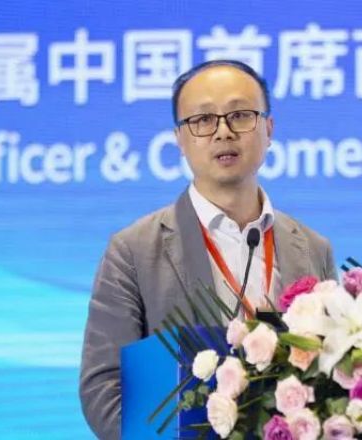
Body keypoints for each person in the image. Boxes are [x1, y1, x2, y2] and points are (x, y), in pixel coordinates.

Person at [79, 60, 337, 440]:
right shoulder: (133, 251)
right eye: (202, 120)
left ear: (268, 129)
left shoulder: (313, 248)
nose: (223, 132)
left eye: (240, 115)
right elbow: (104, 389)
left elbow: (333, 371)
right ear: (180, 139)